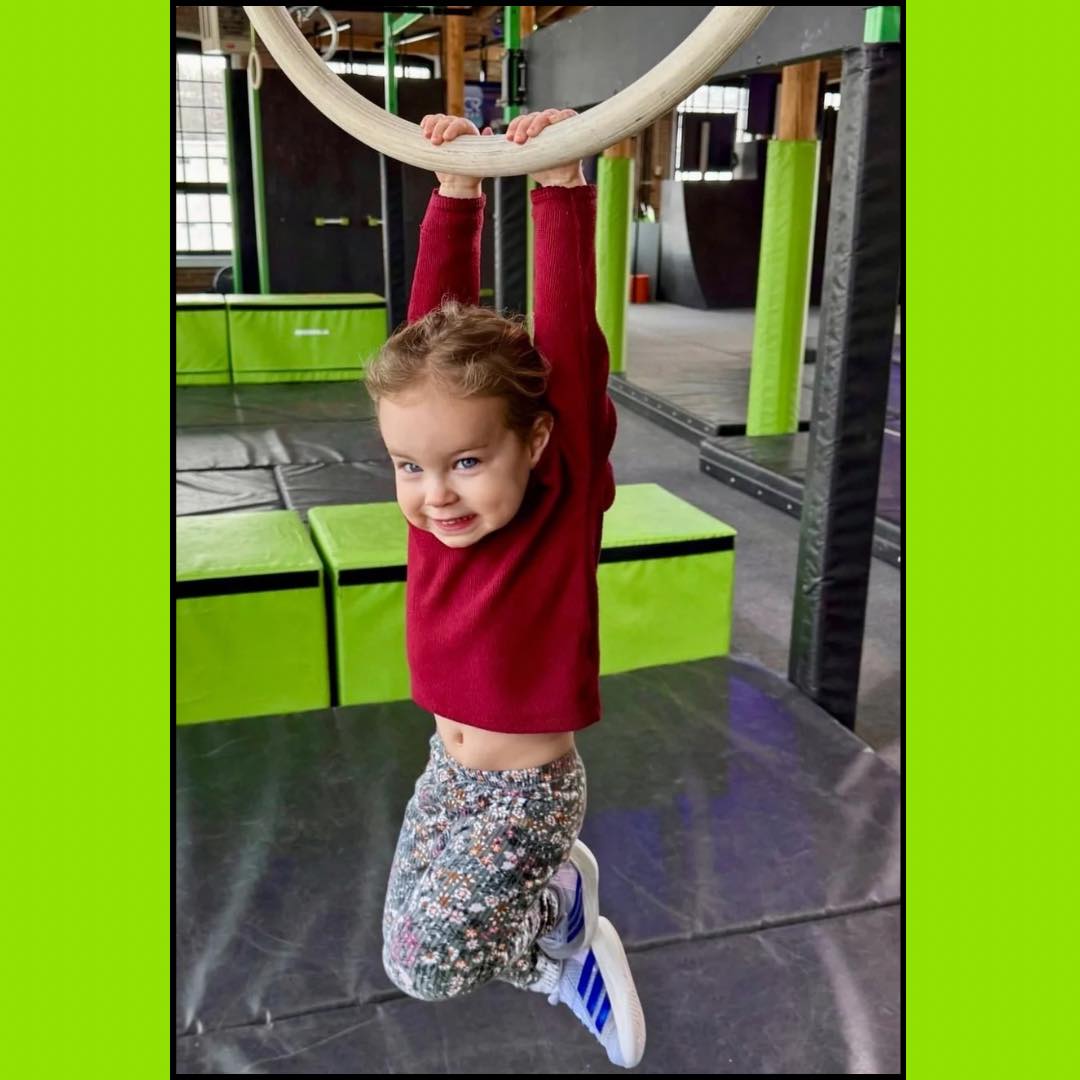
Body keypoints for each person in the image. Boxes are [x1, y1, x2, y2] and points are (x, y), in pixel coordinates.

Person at [367, 109, 646, 1070]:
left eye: (467, 461)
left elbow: (570, 346)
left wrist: (560, 185)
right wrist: (455, 191)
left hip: (525, 793)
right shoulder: (440, 521)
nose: (436, 493)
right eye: (409, 465)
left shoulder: (557, 507)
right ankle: (551, 931)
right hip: (446, 769)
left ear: (533, 445)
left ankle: (557, 926)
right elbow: (430, 344)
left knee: (435, 969)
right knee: (405, 952)